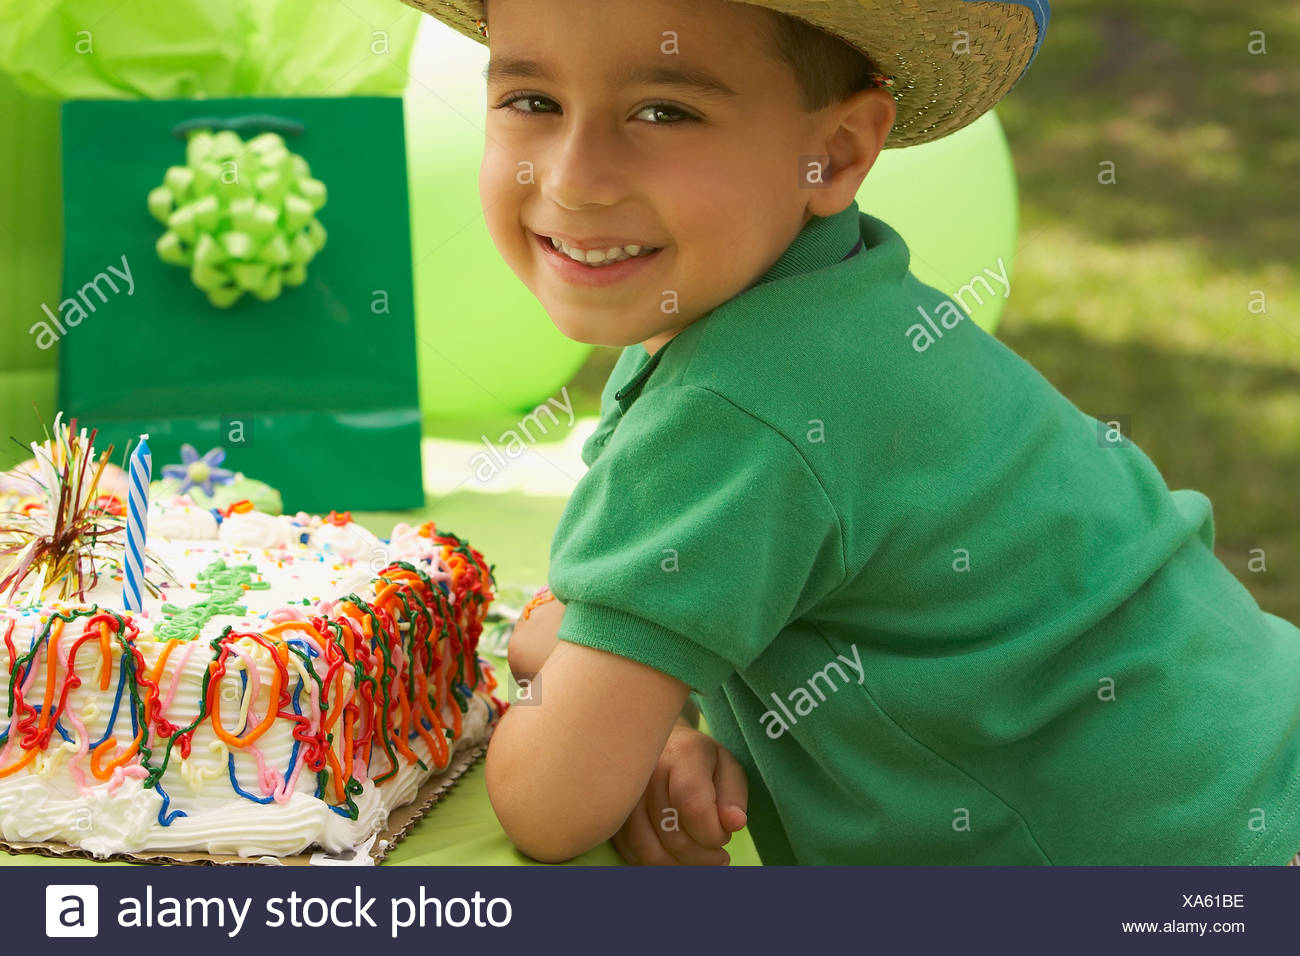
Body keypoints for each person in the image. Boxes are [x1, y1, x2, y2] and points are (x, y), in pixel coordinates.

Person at [399, 0, 1300, 866]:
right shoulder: (834, 299)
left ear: (832, 155)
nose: (571, 177)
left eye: (663, 110)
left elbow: (549, 805)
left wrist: (599, 721)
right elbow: (587, 632)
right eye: (532, 101)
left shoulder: (737, 409)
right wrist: (641, 715)